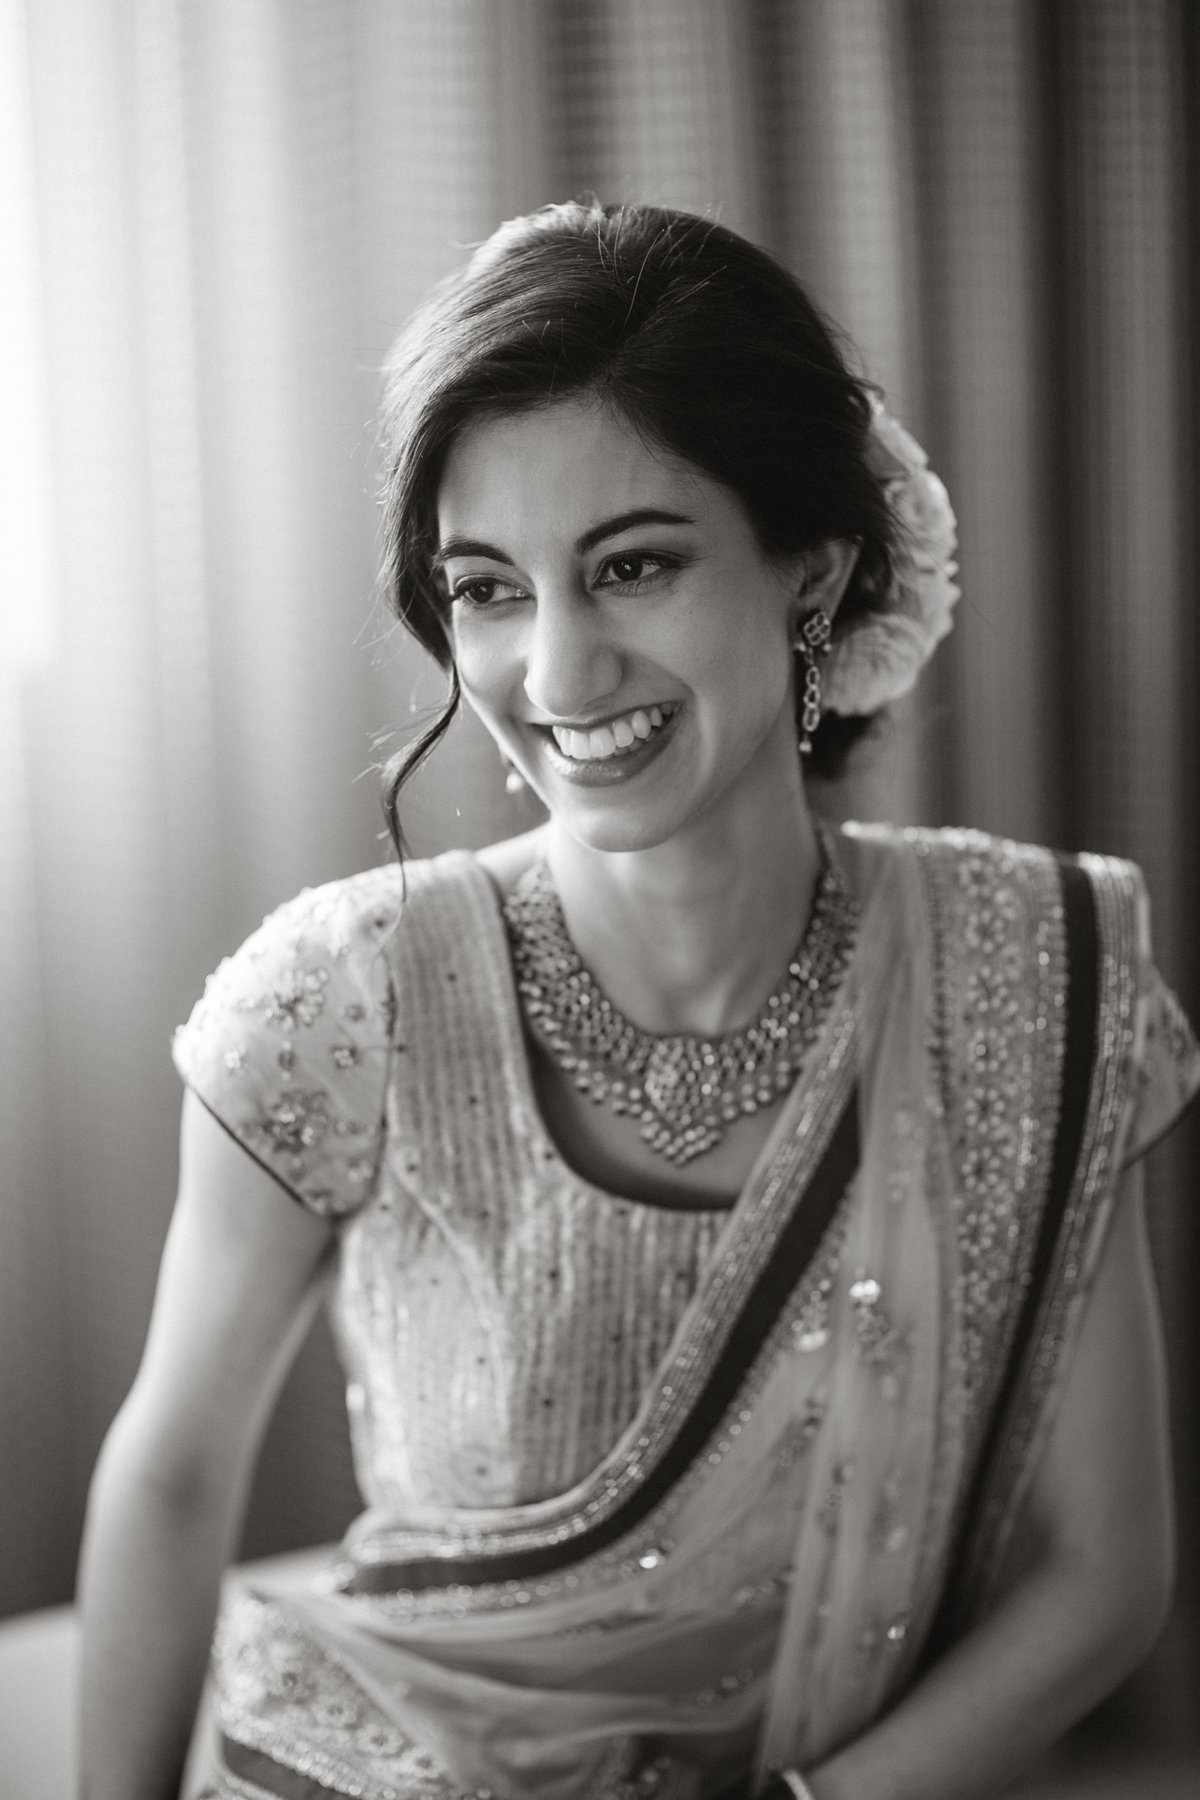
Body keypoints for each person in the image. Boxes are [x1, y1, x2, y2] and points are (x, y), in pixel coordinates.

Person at [78, 200, 1200, 1800]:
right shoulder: (333, 1005)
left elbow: (1105, 1567)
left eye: (635, 566)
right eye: (488, 588)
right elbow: (174, 1472)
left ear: (814, 569)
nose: (557, 671)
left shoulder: (1032, 971)